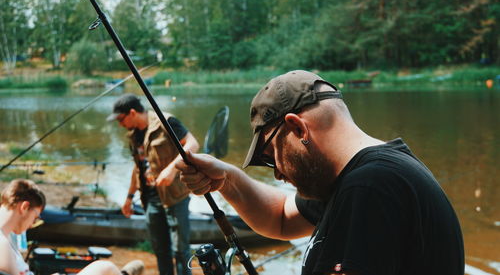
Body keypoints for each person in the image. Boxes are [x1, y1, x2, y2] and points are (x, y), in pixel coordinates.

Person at [175, 70, 464, 275]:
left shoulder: (370, 187)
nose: (276, 173)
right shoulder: (356, 178)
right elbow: (280, 218)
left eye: (270, 156)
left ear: (298, 128)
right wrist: (226, 179)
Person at [108, 94, 199, 275]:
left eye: (121, 119)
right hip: (150, 200)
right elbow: (137, 168)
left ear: (132, 112)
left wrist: (172, 169)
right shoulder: (133, 135)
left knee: (181, 250)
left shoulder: (166, 122)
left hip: (175, 197)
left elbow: (193, 144)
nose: (120, 124)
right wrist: (129, 197)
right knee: (160, 250)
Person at [0, 179, 144, 275]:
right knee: (105, 267)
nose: (32, 223)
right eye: (36, 216)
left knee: (105, 268)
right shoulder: (2, 245)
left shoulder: (7, 237)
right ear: (24, 207)